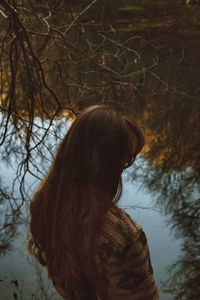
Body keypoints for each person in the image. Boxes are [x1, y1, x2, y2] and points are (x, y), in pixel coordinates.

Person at [28, 104, 159, 300]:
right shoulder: (123, 235)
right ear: (103, 162)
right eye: (124, 159)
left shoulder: (46, 206)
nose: (126, 165)